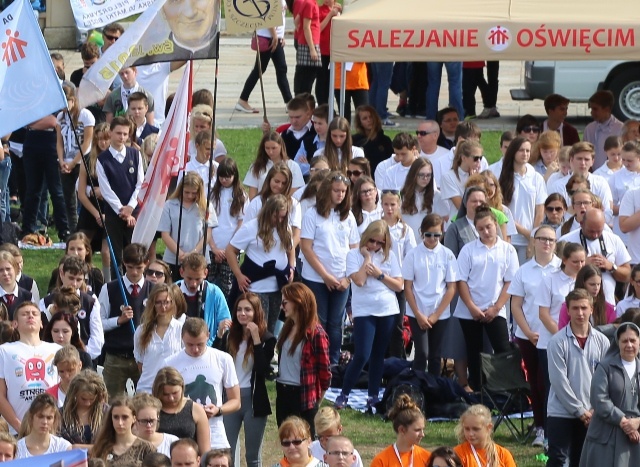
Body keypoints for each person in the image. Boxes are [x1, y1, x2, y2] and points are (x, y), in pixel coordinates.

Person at [335, 220, 402, 409]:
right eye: (372, 241)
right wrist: (366, 259)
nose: (375, 246)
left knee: (378, 355)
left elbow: (399, 285)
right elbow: (359, 281)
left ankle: (373, 395)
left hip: (387, 309)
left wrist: (381, 275)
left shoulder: (390, 256)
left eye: (380, 243)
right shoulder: (353, 255)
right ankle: (344, 393)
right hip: (364, 310)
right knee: (362, 354)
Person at [455, 205, 518, 391]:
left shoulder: (508, 250)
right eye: (480, 228)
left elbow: (510, 282)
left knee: (502, 349)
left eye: (488, 226)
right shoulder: (468, 250)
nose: (486, 231)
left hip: (495, 307)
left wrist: (496, 308)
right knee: (474, 351)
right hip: (469, 310)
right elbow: (461, 281)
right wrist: (471, 307)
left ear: (496, 224)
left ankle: (504, 388)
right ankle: (477, 388)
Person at [508, 224, 561, 447]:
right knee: (536, 384)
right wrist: (528, 333)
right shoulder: (524, 271)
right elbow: (516, 305)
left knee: (549, 383)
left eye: (551, 240)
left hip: (556, 337)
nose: (546, 243)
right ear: (534, 241)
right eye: (542, 239)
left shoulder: (562, 268)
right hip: (529, 335)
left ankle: (554, 428)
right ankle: (540, 427)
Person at [546, 289, 610, 467]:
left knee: (584, 460)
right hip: (561, 412)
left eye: (584, 308)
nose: (580, 313)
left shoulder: (603, 342)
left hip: (592, 412)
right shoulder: (557, 342)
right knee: (558, 460)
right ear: (568, 310)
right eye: (575, 308)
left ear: (591, 308)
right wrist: (580, 411)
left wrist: (595, 409)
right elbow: (559, 381)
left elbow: (605, 379)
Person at [300, 172, 359, 364]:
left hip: (342, 277)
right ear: (327, 190)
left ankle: (332, 363)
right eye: (336, 190)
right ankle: (317, 359)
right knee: (320, 321)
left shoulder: (348, 216)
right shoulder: (312, 214)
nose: (340, 195)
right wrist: (325, 275)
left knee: (336, 323)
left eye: (343, 191)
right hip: (316, 278)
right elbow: (306, 247)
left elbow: (354, 249)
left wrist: (348, 278)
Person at [214, 292, 276, 467]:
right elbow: (214, 361)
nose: (243, 313)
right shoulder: (229, 336)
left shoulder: (267, 339)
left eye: (248, 310)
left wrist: (256, 339)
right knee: (227, 453)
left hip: (254, 401)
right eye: (239, 309)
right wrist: (219, 336)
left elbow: (263, 370)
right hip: (231, 398)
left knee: (252, 456)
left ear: (256, 312)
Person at [163, 317, 240, 449]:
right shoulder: (170, 363)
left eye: (200, 344)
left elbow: (236, 401)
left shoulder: (223, 359)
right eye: (190, 344)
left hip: (215, 434)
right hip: (183, 434)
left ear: (208, 336)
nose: (195, 349)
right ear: (182, 338)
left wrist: (218, 410)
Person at [227, 194, 295, 333]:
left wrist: (292, 267)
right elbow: (230, 250)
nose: (279, 220)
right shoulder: (251, 227)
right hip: (256, 288)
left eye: (283, 217)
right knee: (257, 330)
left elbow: (290, 249)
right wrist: (239, 275)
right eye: (276, 216)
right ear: (268, 212)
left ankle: (268, 354)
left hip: (277, 287)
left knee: (271, 330)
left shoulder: (285, 228)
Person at [579, 322, 640, 466]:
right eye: (624, 341)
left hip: (636, 436)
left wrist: (637, 422)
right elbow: (599, 399)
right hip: (606, 436)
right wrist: (624, 422)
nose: (629, 345)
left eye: (633, 340)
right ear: (617, 343)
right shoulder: (605, 367)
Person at [404, 214, 458, 375]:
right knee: (422, 353)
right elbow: (408, 287)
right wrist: (418, 314)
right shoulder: (413, 255)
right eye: (429, 235)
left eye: (437, 235)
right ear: (422, 233)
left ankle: (433, 390)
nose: (433, 239)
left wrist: (436, 315)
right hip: (417, 311)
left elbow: (451, 288)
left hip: (439, 312)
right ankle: (416, 389)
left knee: (436, 355)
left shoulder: (447, 254)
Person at [275, 282, 330, 434]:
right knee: (286, 441)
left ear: (298, 302)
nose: (282, 306)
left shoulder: (316, 333)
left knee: (305, 444)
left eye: (285, 302)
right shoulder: (287, 327)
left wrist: (316, 401)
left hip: (303, 395)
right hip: (282, 391)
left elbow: (325, 372)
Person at [0, 302, 60, 434]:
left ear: (41, 323)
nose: (30, 316)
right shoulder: (4, 351)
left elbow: (66, 389)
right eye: (25, 314)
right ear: (15, 324)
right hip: (18, 431)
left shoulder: (56, 350)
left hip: (52, 430)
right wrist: (19, 426)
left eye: (34, 314)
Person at [96, 116, 144, 274]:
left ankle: (133, 282)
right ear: (110, 133)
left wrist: (130, 207)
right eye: (118, 133)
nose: (122, 137)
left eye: (125, 134)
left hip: (133, 213)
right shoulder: (102, 160)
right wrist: (121, 210)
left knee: (133, 252)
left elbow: (140, 184)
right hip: (113, 214)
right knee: (115, 255)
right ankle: (117, 287)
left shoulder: (135, 155)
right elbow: (106, 190)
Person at [559, 208, 631, 304]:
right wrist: (583, 265)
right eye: (591, 231)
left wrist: (611, 266)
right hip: (577, 305)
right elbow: (558, 272)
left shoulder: (614, 239)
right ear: (581, 224)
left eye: (599, 231)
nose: (595, 235)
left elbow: (627, 275)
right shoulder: (566, 240)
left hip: (607, 304)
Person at [159, 172, 217, 281]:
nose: (190, 196)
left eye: (194, 193)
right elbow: (165, 234)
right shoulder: (170, 205)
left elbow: (208, 233)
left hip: (199, 258)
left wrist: (193, 252)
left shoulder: (206, 205)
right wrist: (180, 254)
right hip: (173, 258)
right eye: (186, 192)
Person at [498, 136, 547, 263]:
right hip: (507, 237)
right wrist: (523, 231)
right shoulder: (502, 178)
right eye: (521, 150)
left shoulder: (536, 178)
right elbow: (501, 210)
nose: (525, 154)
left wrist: (532, 236)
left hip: (528, 241)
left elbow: (540, 211)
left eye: (528, 150)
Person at [237, 0, 291, 113]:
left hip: (274, 37)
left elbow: (280, 16)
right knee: (262, 70)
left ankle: (289, 102)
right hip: (268, 38)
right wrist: (275, 36)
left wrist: (281, 35)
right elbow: (266, 15)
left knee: (279, 69)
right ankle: (243, 100)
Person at [56, 83, 95, 234]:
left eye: (65, 101)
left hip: (81, 162)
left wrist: (73, 163)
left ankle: (86, 231)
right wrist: (61, 161)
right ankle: (74, 231)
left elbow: (87, 143)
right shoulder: (61, 116)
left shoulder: (85, 115)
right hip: (65, 163)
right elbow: (59, 141)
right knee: (69, 201)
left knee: (82, 197)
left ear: (73, 99)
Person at [208, 157, 248, 299]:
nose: (224, 180)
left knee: (228, 285)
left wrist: (229, 248)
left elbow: (241, 222)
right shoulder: (212, 194)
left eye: (228, 177)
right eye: (221, 177)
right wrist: (213, 247)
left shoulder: (240, 195)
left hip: (231, 248)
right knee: (209, 282)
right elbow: (207, 222)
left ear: (235, 176)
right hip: (212, 246)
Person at [134, 283, 184, 394]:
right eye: (158, 302)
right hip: (146, 390)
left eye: (166, 302)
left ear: (172, 303)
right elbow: (140, 363)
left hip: (172, 390)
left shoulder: (181, 329)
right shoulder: (141, 331)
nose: (163, 307)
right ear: (152, 304)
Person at [77, 122, 111, 281]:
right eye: (99, 140)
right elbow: (81, 194)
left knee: (106, 251)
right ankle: (76, 274)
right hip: (91, 209)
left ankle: (108, 281)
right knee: (79, 244)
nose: (103, 143)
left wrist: (103, 192)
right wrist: (97, 214)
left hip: (111, 209)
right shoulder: (88, 160)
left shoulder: (115, 160)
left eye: (106, 139)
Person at [152, 367, 210, 455]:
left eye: (175, 393)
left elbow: (205, 452)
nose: (171, 398)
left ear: (182, 387)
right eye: (165, 394)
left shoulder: (195, 409)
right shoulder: (151, 409)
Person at [176, 253, 231, 340]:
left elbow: (225, 322)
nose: (193, 284)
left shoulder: (214, 292)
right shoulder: (172, 291)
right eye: (189, 278)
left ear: (205, 273)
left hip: (208, 346)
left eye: (198, 279)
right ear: (181, 272)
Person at [91, 396, 155, 466]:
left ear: (134, 418)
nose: (120, 423)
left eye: (125, 417)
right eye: (116, 417)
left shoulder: (146, 449)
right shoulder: (101, 447)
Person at [370, 394, 431, 467]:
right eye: (417, 430)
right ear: (402, 430)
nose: (422, 434)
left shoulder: (427, 458)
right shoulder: (381, 461)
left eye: (422, 429)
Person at [245, 132, 304, 200]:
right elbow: (252, 193)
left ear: (281, 146)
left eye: (274, 148)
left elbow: (293, 194)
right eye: (267, 148)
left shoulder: (293, 166)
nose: (270, 152)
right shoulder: (256, 166)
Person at [59, 370, 109, 449]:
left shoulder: (106, 412)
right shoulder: (61, 414)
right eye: (83, 399)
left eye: (91, 399)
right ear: (74, 394)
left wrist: (77, 447)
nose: (88, 403)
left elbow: (113, 443)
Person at [558, 265, 616, 329]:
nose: (596, 288)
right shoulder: (568, 306)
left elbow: (612, 334)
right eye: (592, 284)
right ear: (582, 283)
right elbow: (562, 331)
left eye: (598, 284)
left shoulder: (608, 308)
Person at [16, 393, 71, 458]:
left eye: (49, 418)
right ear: (31, 418)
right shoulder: (17, 449)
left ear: (54, 420)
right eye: (40, 416)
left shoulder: (63, 447)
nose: (45, 422)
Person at [440, 140, 484, 221]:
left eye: (480, 158)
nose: (479, 162)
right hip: (457, 222)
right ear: (463, 158)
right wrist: (472, 183)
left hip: (477, 223)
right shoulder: (448, 177)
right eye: (475, 158)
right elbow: (461, 206)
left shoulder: (480, 177)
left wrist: (477, 180)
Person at [583, 90, 624, 170]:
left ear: (607, 109)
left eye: (595, 109)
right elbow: (585, 151)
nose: (592, 113)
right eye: (591, 109)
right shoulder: (590, 128)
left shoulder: (620, 128)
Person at [352, 106, 394, 176]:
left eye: (371, 117)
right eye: (365, 118)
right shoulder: (355, 141)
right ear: (360, 122)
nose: (369, 120)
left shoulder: (385, 140)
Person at [292, 0, 321, 96]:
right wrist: (312, 49)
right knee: (308, 75)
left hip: (308, 42)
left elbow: (296, 20)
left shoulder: (309, 3)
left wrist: (298, 30)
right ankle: (303, 99)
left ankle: (301, 98)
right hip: (309, 44)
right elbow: (306, 27)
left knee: (305, 74)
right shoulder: (309, 4)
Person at [416, 120, 450, 185]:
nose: (418, 136)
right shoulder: (412, 155)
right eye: (417, 133)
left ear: (435, 135)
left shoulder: (447, 155)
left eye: (423, 133)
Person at [0, 251, 32, 320]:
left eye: (8, 269)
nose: (5, 273)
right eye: (1, 270)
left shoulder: (27, 296)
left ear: (15, 270)